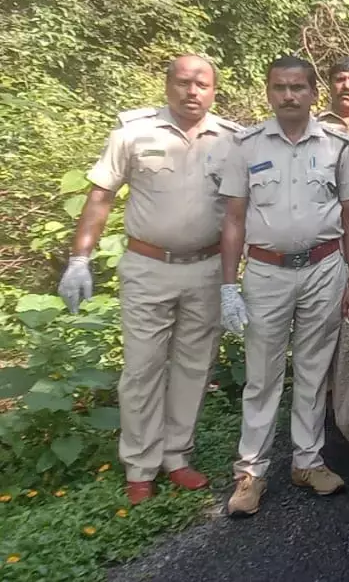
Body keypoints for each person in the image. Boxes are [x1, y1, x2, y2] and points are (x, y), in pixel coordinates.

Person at [57, 54, 240, 506]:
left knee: (195, 366)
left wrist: (238, 278)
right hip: (147, 267)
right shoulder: (133, 133)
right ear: (167, 85)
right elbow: (100, 196)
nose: (192, 91)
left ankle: (176, 456)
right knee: (142, 368)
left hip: (206, 268)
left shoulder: (233, 139)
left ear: (214, 90)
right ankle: (140, 465)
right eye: (183, 82)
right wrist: (79, 259)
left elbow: (242, 210)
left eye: (202, 84)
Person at [219, 55, 349, 517]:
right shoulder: (245, 146)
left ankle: (307, 461)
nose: (288, 95)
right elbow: (234, 219)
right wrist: (228, 287)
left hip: (324, 268)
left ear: (313, 93)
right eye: (280, 87)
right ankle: (251, 472)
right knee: (262, 375)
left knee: (313, 369)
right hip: (266, 273)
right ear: (268, 92)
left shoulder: (337, 145)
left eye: (298, 87)